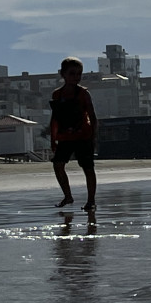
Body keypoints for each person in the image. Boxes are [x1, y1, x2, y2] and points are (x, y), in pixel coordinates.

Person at [50, 57, 98, 225]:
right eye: (72, 73)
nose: (76, 77)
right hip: (64, 137)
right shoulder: (57, 94)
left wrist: (93, 136)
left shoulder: (83, 93)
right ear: (62, 74)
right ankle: (68, 196)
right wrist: (53, 138)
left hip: (83, 136)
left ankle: (91, 200)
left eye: (79, 74)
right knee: (58, 165)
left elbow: (92, 116)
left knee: (88, 168)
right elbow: (55, 118)